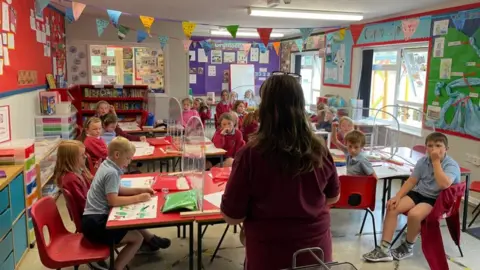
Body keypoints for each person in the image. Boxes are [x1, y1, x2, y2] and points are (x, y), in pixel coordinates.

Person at [220, 75, 340, 269]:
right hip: (316, 255)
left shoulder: (250, 154)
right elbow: (333, 197)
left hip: (270, 256)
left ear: (265, 109)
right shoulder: (320, 150)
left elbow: (232, 216)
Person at [363, 132, 460, 262]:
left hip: (436, 199)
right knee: (392, 207)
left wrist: (436, 162)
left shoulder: (451, 165)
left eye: (438, 145)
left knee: (414, 215)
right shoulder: (423, 161)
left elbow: (444, 184)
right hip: (419, 193)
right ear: (426, 148)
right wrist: (397, 197)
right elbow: (411, 181)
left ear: (446, 149)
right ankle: (384, 249)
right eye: (430, 146)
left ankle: (408, 246)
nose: (434, 149)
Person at [82, 137, 171, 270]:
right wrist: (139, 198)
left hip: (92, 219)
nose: (129, 162)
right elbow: (114, 200)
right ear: (117, 155)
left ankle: (151, 240)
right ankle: (117, 268)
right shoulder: (111, 172)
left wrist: (140, 190)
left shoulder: (107, 165)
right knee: (137, 238)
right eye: (128, 158)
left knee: (134, 222)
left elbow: (117, 189)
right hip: (97, 224)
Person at [53, 140, 109, 270]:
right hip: (91, 219)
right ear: (71, 159)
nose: (85, 157)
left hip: (92, 213)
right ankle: (148, 241)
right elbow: (85, 205)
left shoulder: (80, 172)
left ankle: (149, 240)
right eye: (82, 155)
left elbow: (91, 192)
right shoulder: (71, 179)